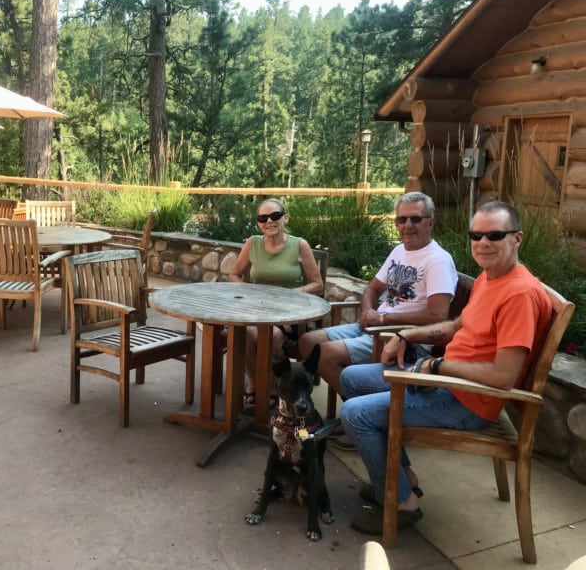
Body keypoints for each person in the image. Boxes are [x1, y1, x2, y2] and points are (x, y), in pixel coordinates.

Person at [339, 201, 553, 535]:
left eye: (494, 235)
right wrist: (406, 335)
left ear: (517, 239)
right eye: (476, 235)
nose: (483, 243)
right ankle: (401, 478)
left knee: (355, 414)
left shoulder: (519, 295)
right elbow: (454, 328)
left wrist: (437, 365)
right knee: (352, 378)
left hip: (468, 401)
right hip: (447, 383)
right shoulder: (490, 278)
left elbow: (503, 377)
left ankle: (401, 504)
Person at [297, 191, 458, 447]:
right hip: (378, 325)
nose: (408, 226)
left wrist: (382, 318)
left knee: (326, 355)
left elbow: (438, 315)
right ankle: (358, 412)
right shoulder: (399, 251)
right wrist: (369, 312)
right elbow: (371, 289)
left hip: (404, 339)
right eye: (401, 219)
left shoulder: (437, 260)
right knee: (308, 342)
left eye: (415, 219)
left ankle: (364, 420)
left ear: (430, 222)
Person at [228, 198, 324, 406]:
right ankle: (254, 384)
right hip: (256, 311)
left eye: (275, 216)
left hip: (289, 314)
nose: (269, 221)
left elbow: (317, 284)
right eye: (263, 218)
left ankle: (272, 386)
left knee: (273, 336)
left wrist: (291, 295)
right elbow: (234, 274)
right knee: (245, 332)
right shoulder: (252, 243)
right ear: (258, 223)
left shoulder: (299, 245)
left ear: (285, 218)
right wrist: (248, 292)